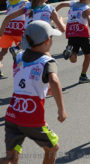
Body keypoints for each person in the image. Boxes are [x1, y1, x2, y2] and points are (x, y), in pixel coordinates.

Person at [3, 21, 67, 164]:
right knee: (52, 148)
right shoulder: (47, 62)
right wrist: (61, 110)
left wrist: (43, 88)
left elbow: (27, 78)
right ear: (47, 41)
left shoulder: (19, 57)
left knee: (11, 158)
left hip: (13, 115)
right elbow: (54, 81)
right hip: (31, 117)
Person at [0, 0, 28, 78]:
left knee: (3, 51)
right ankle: (22, 69)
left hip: (7, 30)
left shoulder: (8, 3)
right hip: (18, 30)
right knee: (24, 47)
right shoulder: (25, 2)